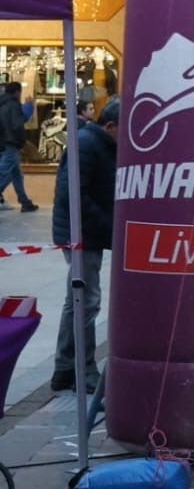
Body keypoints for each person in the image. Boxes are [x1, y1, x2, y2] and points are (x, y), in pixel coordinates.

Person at [48, 99, 118, 394]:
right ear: (110, 126)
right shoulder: (86, 144)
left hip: (86, 231)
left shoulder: (100, 143)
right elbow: (73, 195)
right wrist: (108, 226)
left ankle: (65, 367)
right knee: (86, 301)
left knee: (76, 299)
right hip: (80, 234)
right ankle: (83, 369)